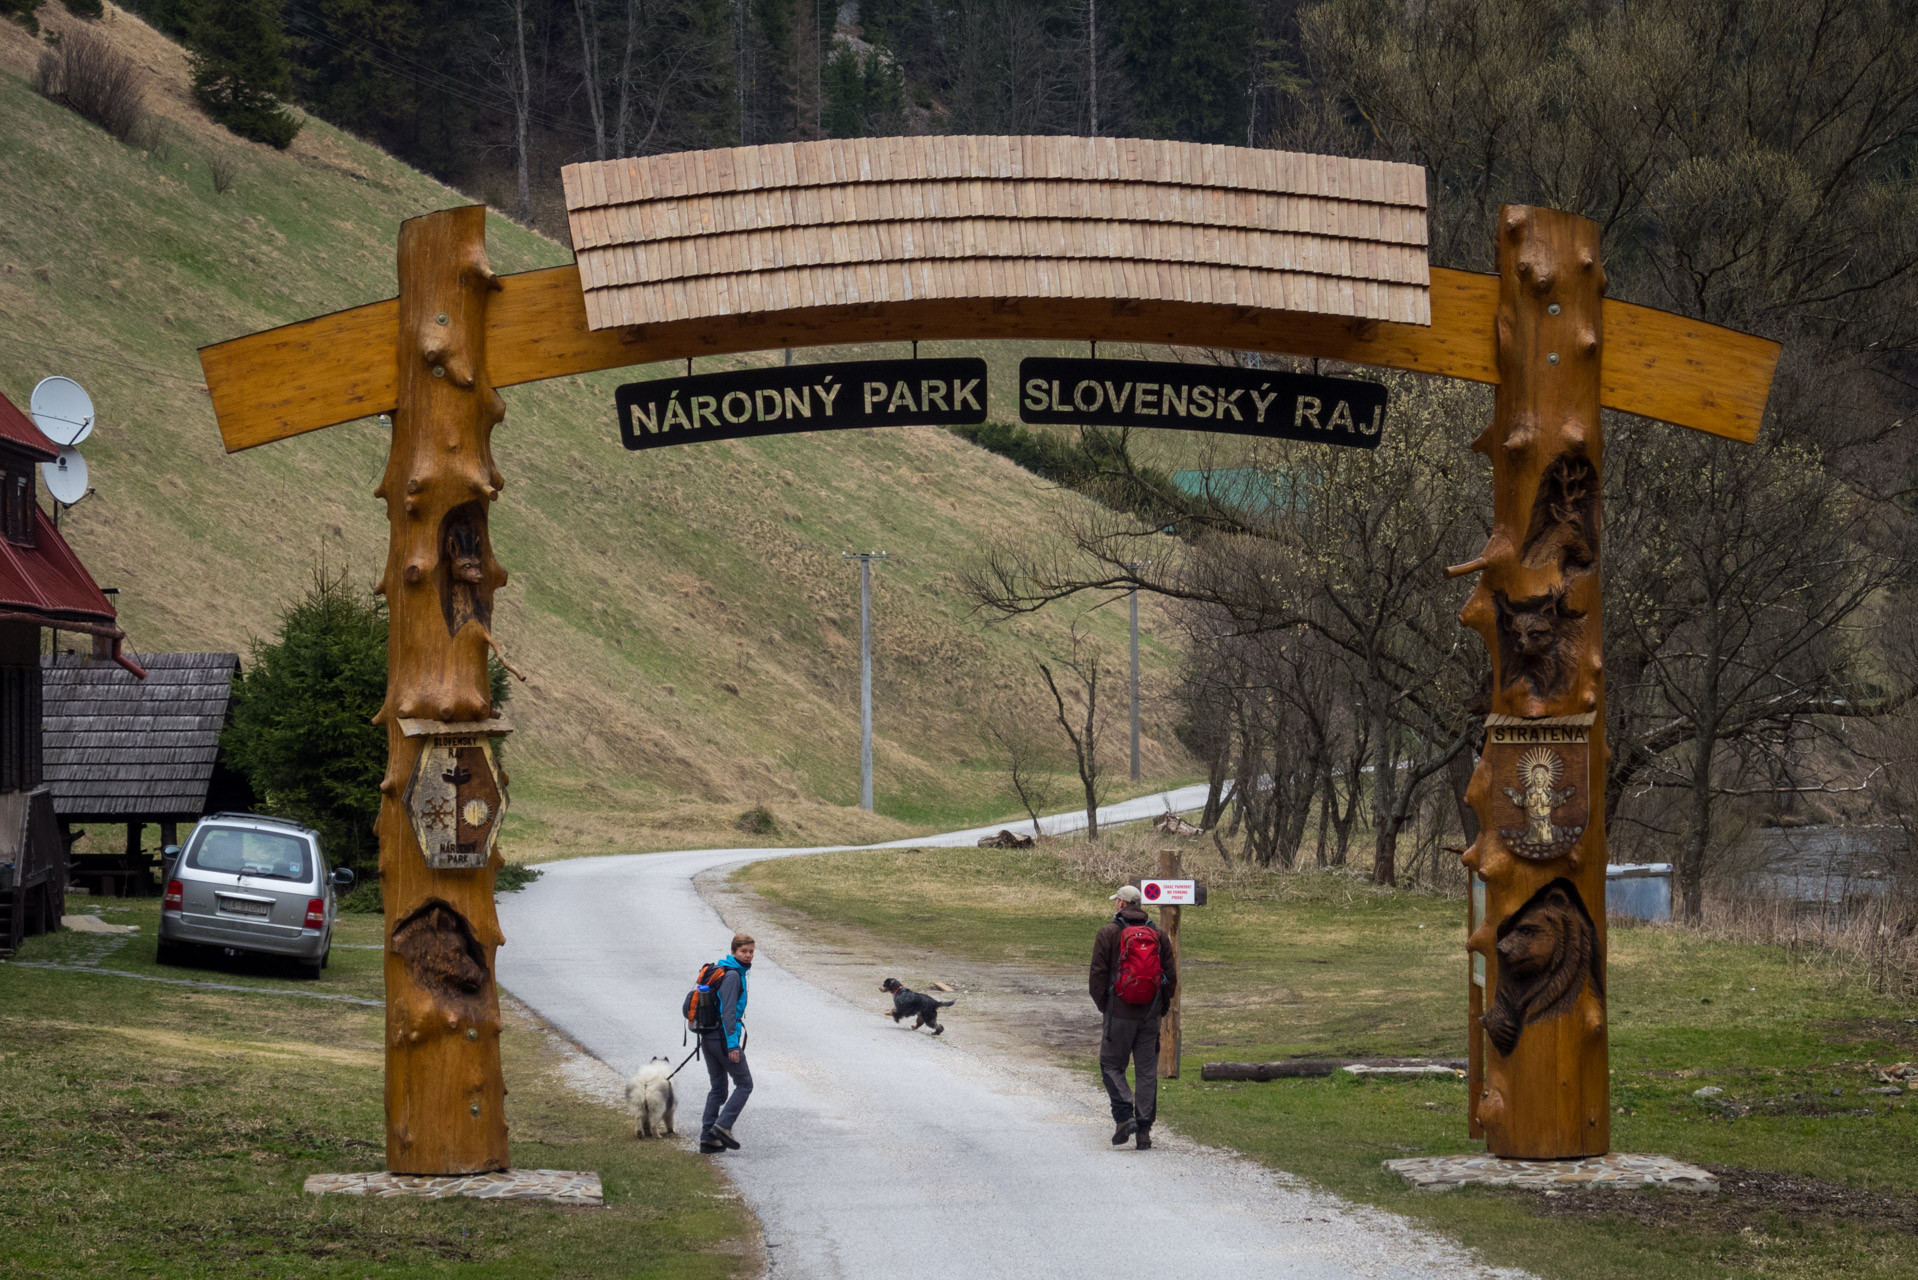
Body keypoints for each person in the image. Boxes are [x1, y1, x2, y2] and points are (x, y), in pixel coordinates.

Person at [1087, 884, 1177, 1150]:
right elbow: (1170, 978)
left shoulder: (1108, 933)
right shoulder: (1159, 935)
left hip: (1119, 1014)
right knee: (1147, 1071)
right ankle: (1144, 1131)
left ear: (1120, 904)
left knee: (1111, 1065)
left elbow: (1097, 976)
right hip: (1150, 1015)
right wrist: (1160, 1008)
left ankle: (1125, 1116)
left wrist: (1106, 1005)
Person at [698, 932, 755, 1154]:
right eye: (743, 951)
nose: (748, 955)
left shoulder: (723, 971)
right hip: (722, 1039)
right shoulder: (732, 976)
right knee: (745, 1084)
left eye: (751, 951)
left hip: (708, 1038)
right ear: (734, 952)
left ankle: (707, 1140)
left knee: (719, 1090)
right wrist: (732, 1046)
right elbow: (728, 1012)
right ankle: (722, 1126)